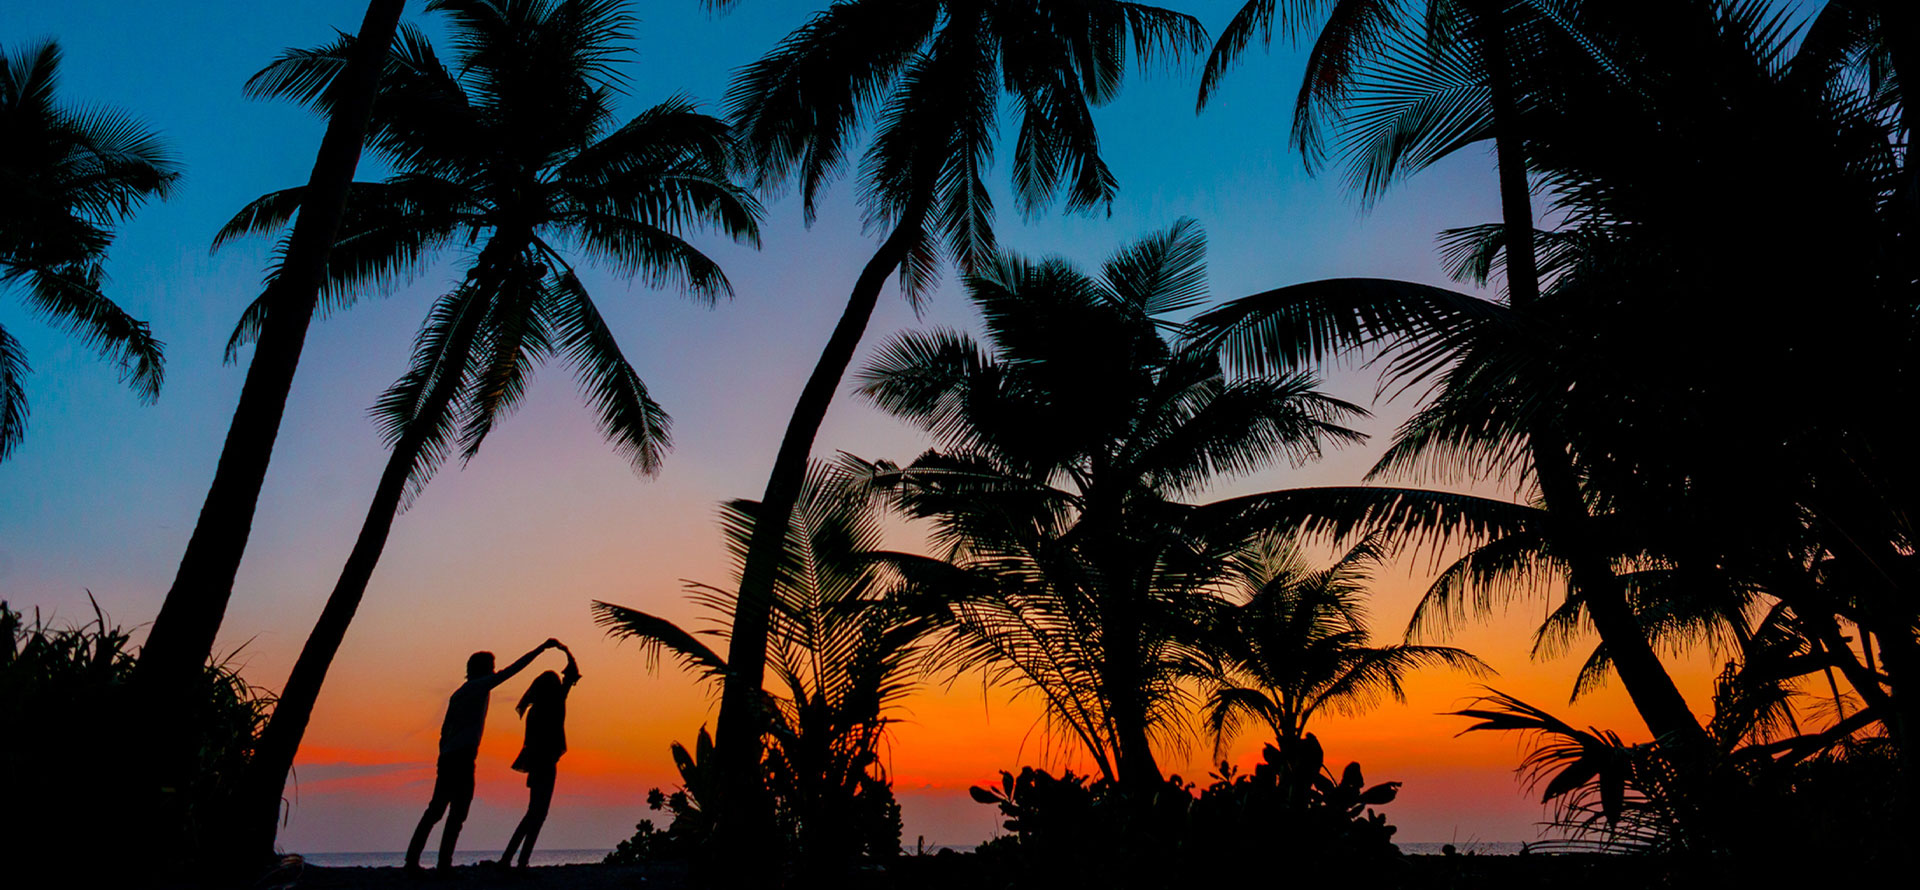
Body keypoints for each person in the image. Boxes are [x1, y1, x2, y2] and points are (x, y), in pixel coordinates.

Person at [405, 638, 563, 872]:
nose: (494, 671)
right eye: (491, 667)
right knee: (456, 811)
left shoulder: (459, 694)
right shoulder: (478, 686)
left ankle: (416, 860)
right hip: (461, 757)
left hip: (449, 756)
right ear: (482, 670)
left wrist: (443, 753)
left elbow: (443, 731)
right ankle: (441, 863)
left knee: (437, 809)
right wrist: (541, 649)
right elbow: (513, 670)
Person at [500, 643, 581, 868]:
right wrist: (565, 650)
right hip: (545, 764)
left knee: (533, 814)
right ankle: (518, 860)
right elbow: (572, 674)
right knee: (538, 814)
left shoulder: (535, 711)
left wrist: (562, 650)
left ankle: (511, 859)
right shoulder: (555, 703)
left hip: (537, 765)